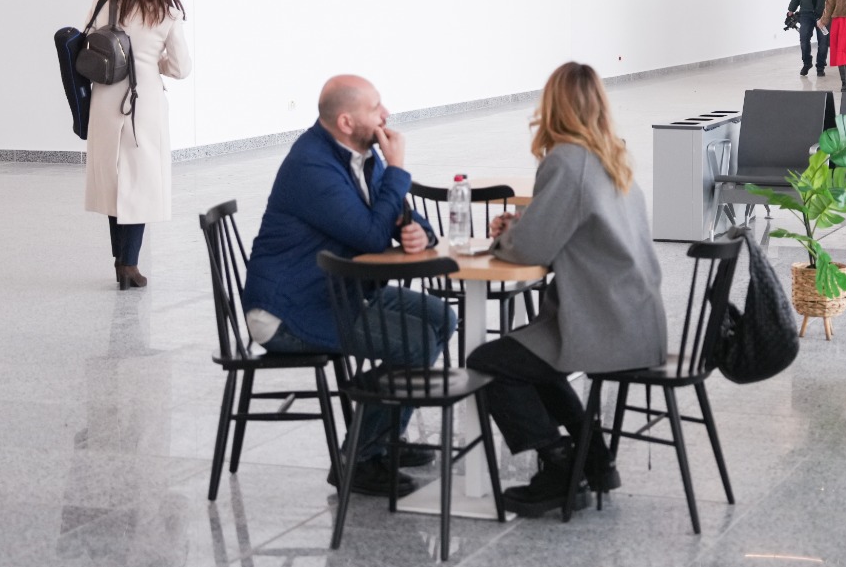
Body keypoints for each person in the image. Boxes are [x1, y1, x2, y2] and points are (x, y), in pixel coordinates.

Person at [468, 62, 666, 517]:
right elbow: (579, 229)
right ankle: (594, 459)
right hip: (636, 317)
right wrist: (524, 224)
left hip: (603, 322)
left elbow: (531, 249)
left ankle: (560, 468)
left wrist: (508, 236)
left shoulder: (566, 160)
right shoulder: (612, 156)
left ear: (553, 105)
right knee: (533, 360)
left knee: (489, 363)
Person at [243, 75, 451, 499]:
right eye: (376, 108)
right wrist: (398, 169)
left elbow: (394, 213)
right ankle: (360, 458)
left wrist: (419, 232)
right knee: (414, 343)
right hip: (287, 311)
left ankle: (384, 434)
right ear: (345, 121)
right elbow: (371, 237)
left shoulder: (360, 154)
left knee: (441, 317)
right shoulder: (311, 166)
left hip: (334, 292)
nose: (386, 114)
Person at [83, 0, 191, 290]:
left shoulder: (105, 3)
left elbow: (89, 45)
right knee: (139, 185)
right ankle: (129, 264)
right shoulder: (166, 14)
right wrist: (154, 62)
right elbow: (181, 68)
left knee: (114, 181)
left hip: (104, 101)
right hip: (142, 104)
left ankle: (121, 260)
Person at [788, 0, 832, 76]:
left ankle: (820, 67)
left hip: (823, 14)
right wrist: (791, 9)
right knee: (804, 39)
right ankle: (807, 63)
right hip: (806, 13)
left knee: (823, 42)